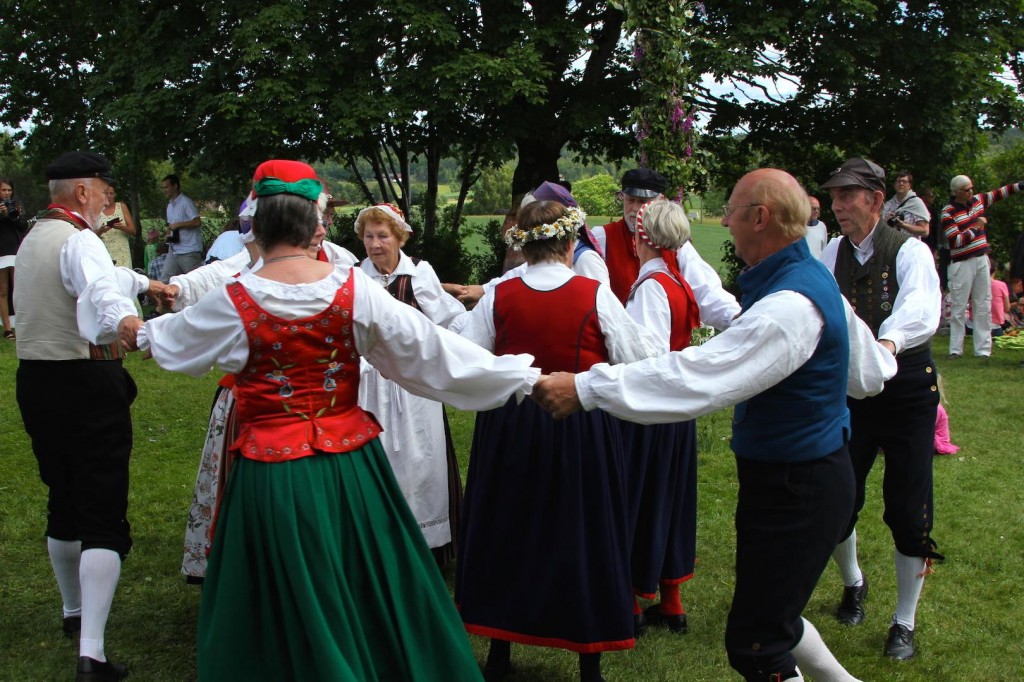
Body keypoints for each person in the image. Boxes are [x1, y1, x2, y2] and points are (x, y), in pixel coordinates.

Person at [135, 159, 539, 681]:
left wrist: (130, 325)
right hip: (352, 469)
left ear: (256, 225)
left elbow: (168, 340)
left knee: (284, 592)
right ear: (314, 224)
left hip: (271, 476)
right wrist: (524, 378)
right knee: (367, 581)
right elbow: (434, 355)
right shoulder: (355, 289)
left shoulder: (233, 300)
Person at [533, 168, 898, 682]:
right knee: (775, 621)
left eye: (729, 210)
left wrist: (586, 388)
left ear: (760, 218)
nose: (723, 221)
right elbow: (870, 375)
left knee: (757, 644)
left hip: (799, 485)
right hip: (801, 478)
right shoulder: (810, 281)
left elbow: (699, 376)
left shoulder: (790, 306)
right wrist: (887, 351)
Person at [455, 200, 658, 682]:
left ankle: (499, 648)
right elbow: (636, 354)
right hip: (578, 423)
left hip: (512, 426)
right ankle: (589, 658)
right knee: (580, 532)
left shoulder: (499, 295)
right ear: (570, 242)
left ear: (522, 244)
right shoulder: (594, 293)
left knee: (508, 528)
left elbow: (466, 354)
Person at [14, 151, 164, 682]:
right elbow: (100, 288)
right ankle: (92, 653)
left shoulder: (34, 236)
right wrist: (130, 322)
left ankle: (72, 612)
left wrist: (147, 285)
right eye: (104, 189)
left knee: (62, 495)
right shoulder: (81, 240)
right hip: (84, 381)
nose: (109, 200)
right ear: (83, 192)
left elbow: (106, 275)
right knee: (102, 508)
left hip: (35, 380)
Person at [818, 157, 942, 661]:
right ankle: (854, 584)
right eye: (833, 197)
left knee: (909, 509)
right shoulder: (831, 251)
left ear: (874, 199)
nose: (837, 206)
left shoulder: (910, 250)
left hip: (907, 388)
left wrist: (886, 345)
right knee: (837, 497)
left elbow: (920, 309)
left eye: (847, 196)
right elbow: (819, 306)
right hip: (854, 389)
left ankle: (904, 622)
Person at [355, 201, 467, 567]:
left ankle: (426, 548)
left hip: (414, 387)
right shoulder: (356, 277)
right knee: (379, 458)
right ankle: (379, 548)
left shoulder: (419, 273)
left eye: (382, 236)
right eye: (369, 236)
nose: (375, 244)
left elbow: (449, 320)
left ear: (399, 237)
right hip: (371, 384)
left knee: (421, 459)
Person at [621, 200, 701, 638]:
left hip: (653, 409)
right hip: (676, 408)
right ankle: (670, 603)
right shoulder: (674, 280)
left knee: (642, 497)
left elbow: (647, 354)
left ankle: (632, 602)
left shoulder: (653, 286)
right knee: (669, 498)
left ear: (641, 237)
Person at [591, 168, 740, 330]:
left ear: (660, 200)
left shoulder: (677, 245)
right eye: (630, 200)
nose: (634, 209)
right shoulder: (602, 237)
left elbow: (705, 291)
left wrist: (735, 319)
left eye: (642, 201)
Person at [941, 174, 1024, 358]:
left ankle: (983, 350)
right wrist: (977, 226)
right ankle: (955, 350)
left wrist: (1019, 186)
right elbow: (956, 240)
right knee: (959, 306)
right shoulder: (948, 212)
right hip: (961, 263)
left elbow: (1000, 193)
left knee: (983, 303)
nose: (971, 192)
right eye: (966, 190)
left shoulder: (978, 200)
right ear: (955, 192)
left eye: (972, 188)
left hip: (981, 258)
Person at [160, 173, 203, 279]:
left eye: (166, 187)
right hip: (174, 249)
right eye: (163, 188)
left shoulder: (186, 202)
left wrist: (179, 225)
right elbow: (171, 226)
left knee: (195, 282)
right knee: (165, 280)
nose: (164, 190)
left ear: (175, 186)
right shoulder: (169, 206)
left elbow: (197, 222)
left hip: (189, 251)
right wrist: (167, 234)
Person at [0, 176, 27, 338]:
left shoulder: (16, 205)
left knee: (18, 288)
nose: (7, 193)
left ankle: (21, 324)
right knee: (3, 289)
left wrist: (14, 215)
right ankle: (7, 328)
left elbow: (23, 226)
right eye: (3, 190)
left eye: (9, 190)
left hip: (15, 249)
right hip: (1, 250)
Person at [97, 185, 137, 267]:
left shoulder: (121, 206)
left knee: (125, 277)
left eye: (111, 193)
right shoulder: (97, 209)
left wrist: (121, 227)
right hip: (105, 252)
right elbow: (92, 235)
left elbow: (133, 231)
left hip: (122, 251)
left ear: (115, 195)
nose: (108, 196)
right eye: (106, 193)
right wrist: (101, 231)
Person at [882, 171, 930, 239]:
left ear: (909, 185)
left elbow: (925, 231)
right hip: (891, 246)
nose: (901, 184)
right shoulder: (888, 205)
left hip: (910, 246)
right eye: (898, 181)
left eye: (904, 181)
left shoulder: (916, 203)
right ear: (894, 184)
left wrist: (903, 225)